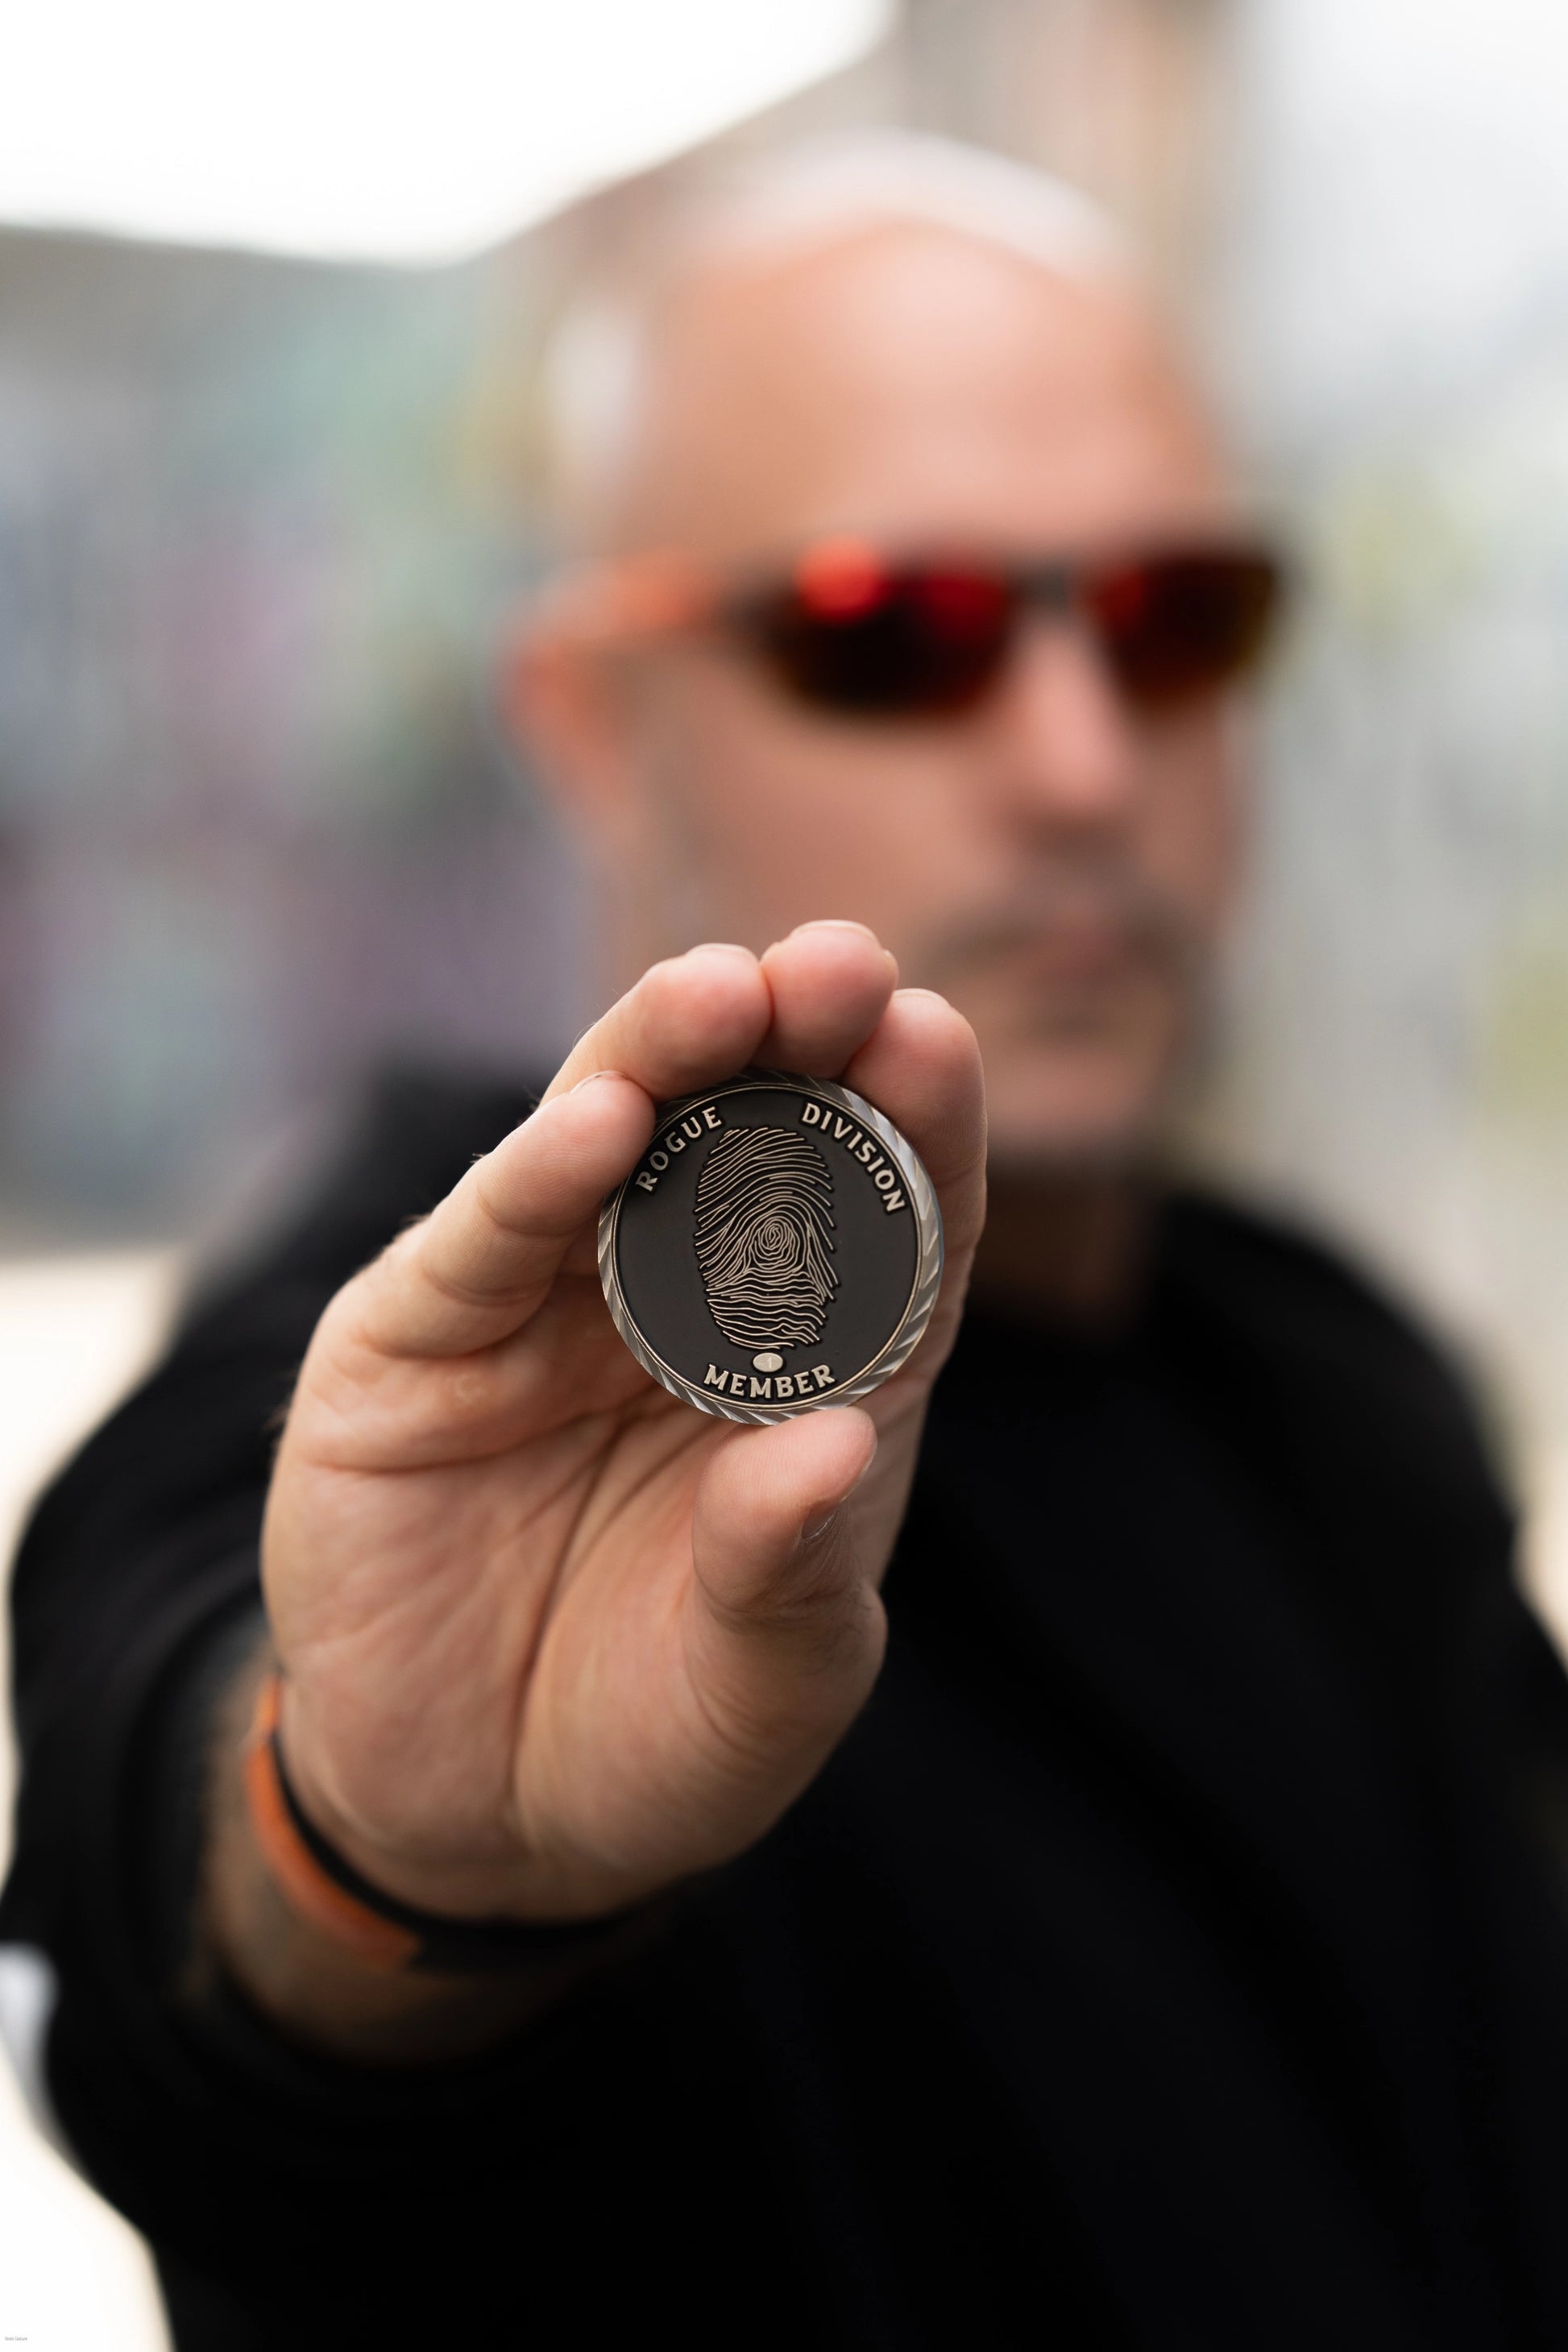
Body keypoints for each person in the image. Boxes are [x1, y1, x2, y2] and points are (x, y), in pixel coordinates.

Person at [6, 133, 1568, 2351]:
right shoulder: (435, 1368)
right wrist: (373, 1861)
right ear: (592, 722)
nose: (1081, 762)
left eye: (1174, 619)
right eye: (891, 635)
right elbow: (188, 1823)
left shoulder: (1338, 1382)